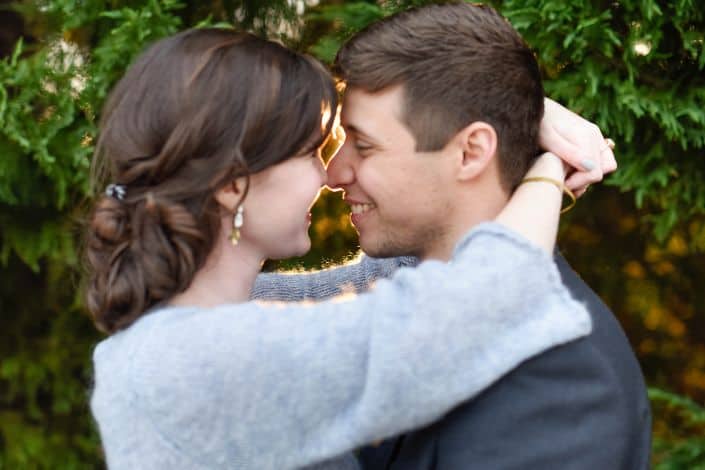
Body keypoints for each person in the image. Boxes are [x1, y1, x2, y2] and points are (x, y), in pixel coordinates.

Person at [86, 28, 600, 470]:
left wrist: (498, 110)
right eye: (311, 152)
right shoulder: (191, 364)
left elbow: (392, 281)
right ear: (231, 184)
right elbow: (476, 302)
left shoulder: (204, 329)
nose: (329, 174)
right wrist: (547, 171)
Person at [314, 3, 647, 468]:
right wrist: (515, 106)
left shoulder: (558, 379)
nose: (334, 172)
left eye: (363, 145)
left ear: (471, 152)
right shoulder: (396, 302)